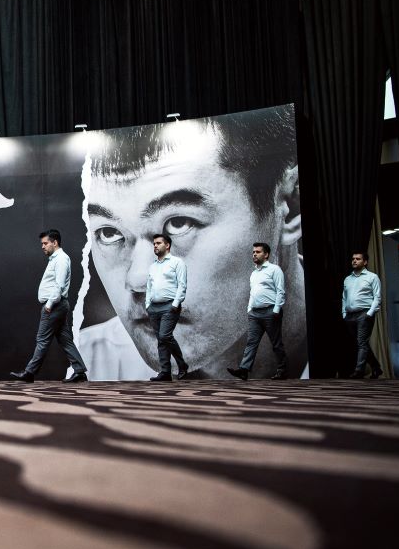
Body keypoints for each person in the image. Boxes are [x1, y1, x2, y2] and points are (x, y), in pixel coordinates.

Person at [78, 105, 306, 379]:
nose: (137, 279)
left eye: (179, 223)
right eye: (108, 232)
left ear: (290, 208)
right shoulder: (88, 366)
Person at [10, 230, 89, 383]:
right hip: (57, 305)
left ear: (55, 242)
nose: (43, 246)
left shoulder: (61, 259)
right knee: (65, 340)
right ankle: (80, 371)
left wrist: (49, 304)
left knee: (42, 339)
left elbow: (59, 285)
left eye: (45, 243)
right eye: (42, 244)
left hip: (54, 306)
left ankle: (29, 373)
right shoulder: (56, 259)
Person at [227, 243, 288, 380]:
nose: (254, 254)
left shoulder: (274, 269)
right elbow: (253, 293)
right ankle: (244, 370)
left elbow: (281, 291)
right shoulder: (254, 273)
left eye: (258, 252)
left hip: (270, 311)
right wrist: (249, 309)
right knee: (251, 342)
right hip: (255, 314)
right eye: (253, 252)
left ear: (266, 254)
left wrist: (276, 310)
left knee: (276, 343)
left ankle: (282, 370)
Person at [144, 233, 188, 381]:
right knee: (161, 341)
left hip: (170, 306)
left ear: (167, 245)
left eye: (158, 243)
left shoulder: (177, 262)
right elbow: (149, 286)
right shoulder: (153, 266)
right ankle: (165, 372)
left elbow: (182, 284)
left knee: (165, 336)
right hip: (154, 308)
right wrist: (148, 304)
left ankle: (182, 364)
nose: (155, 246)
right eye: (154, 244)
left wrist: (175, 304)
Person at [342, 251, 383, 378]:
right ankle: (376, 367)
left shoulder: (372, 277)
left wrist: (370, 313)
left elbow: (377, 297)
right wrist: (344, 313)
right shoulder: (347, 279)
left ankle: (359, 371)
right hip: (350, 315)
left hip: (364, 313)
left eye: (358, 259)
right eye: (353, 259)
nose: (354, 261)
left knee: (361, 343)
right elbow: (344, 298)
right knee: (361, 343)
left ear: (365, 262)